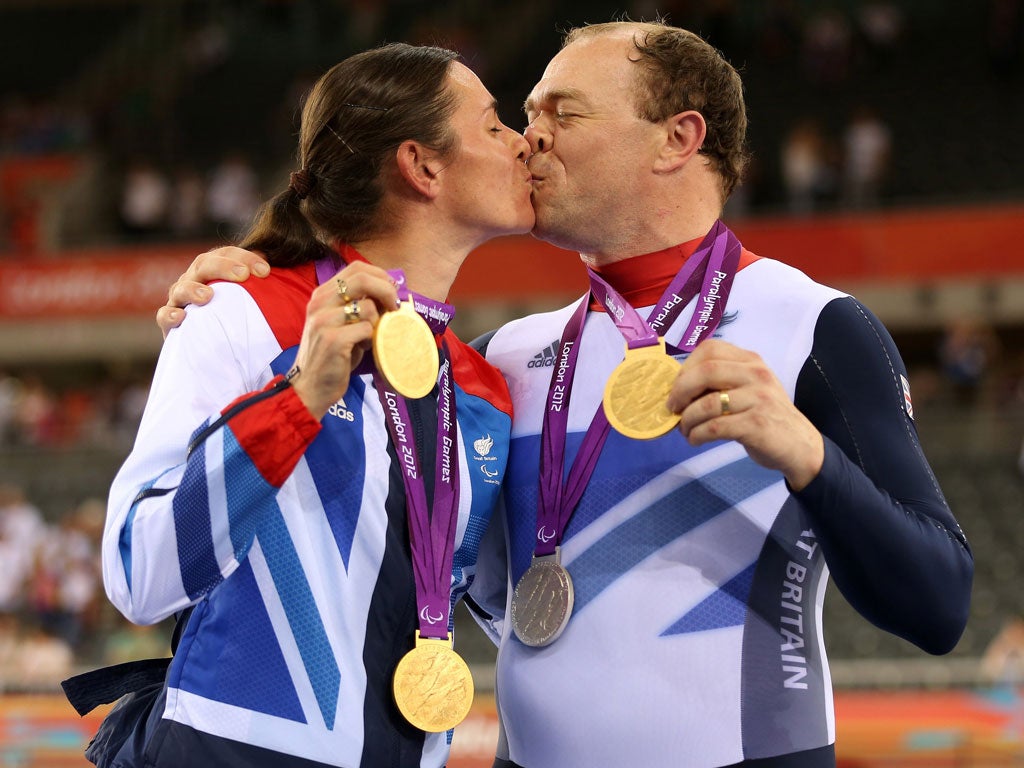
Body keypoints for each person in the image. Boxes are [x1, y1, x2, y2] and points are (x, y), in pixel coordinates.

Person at [159, 20, 973, 768]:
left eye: (563, 113)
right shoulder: (501, 360)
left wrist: (808, 456)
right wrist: (240, 296)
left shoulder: (813, 327)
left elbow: (938, 606)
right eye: (523, 113)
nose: (528, 138)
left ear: (677, 138)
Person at [89, 42, 533, 768]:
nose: (522, 143)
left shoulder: (479, 388)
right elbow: (139, 575)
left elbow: (502, 607)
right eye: (493, 126)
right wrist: (298, 399)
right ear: (422, 166)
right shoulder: (243, 315)